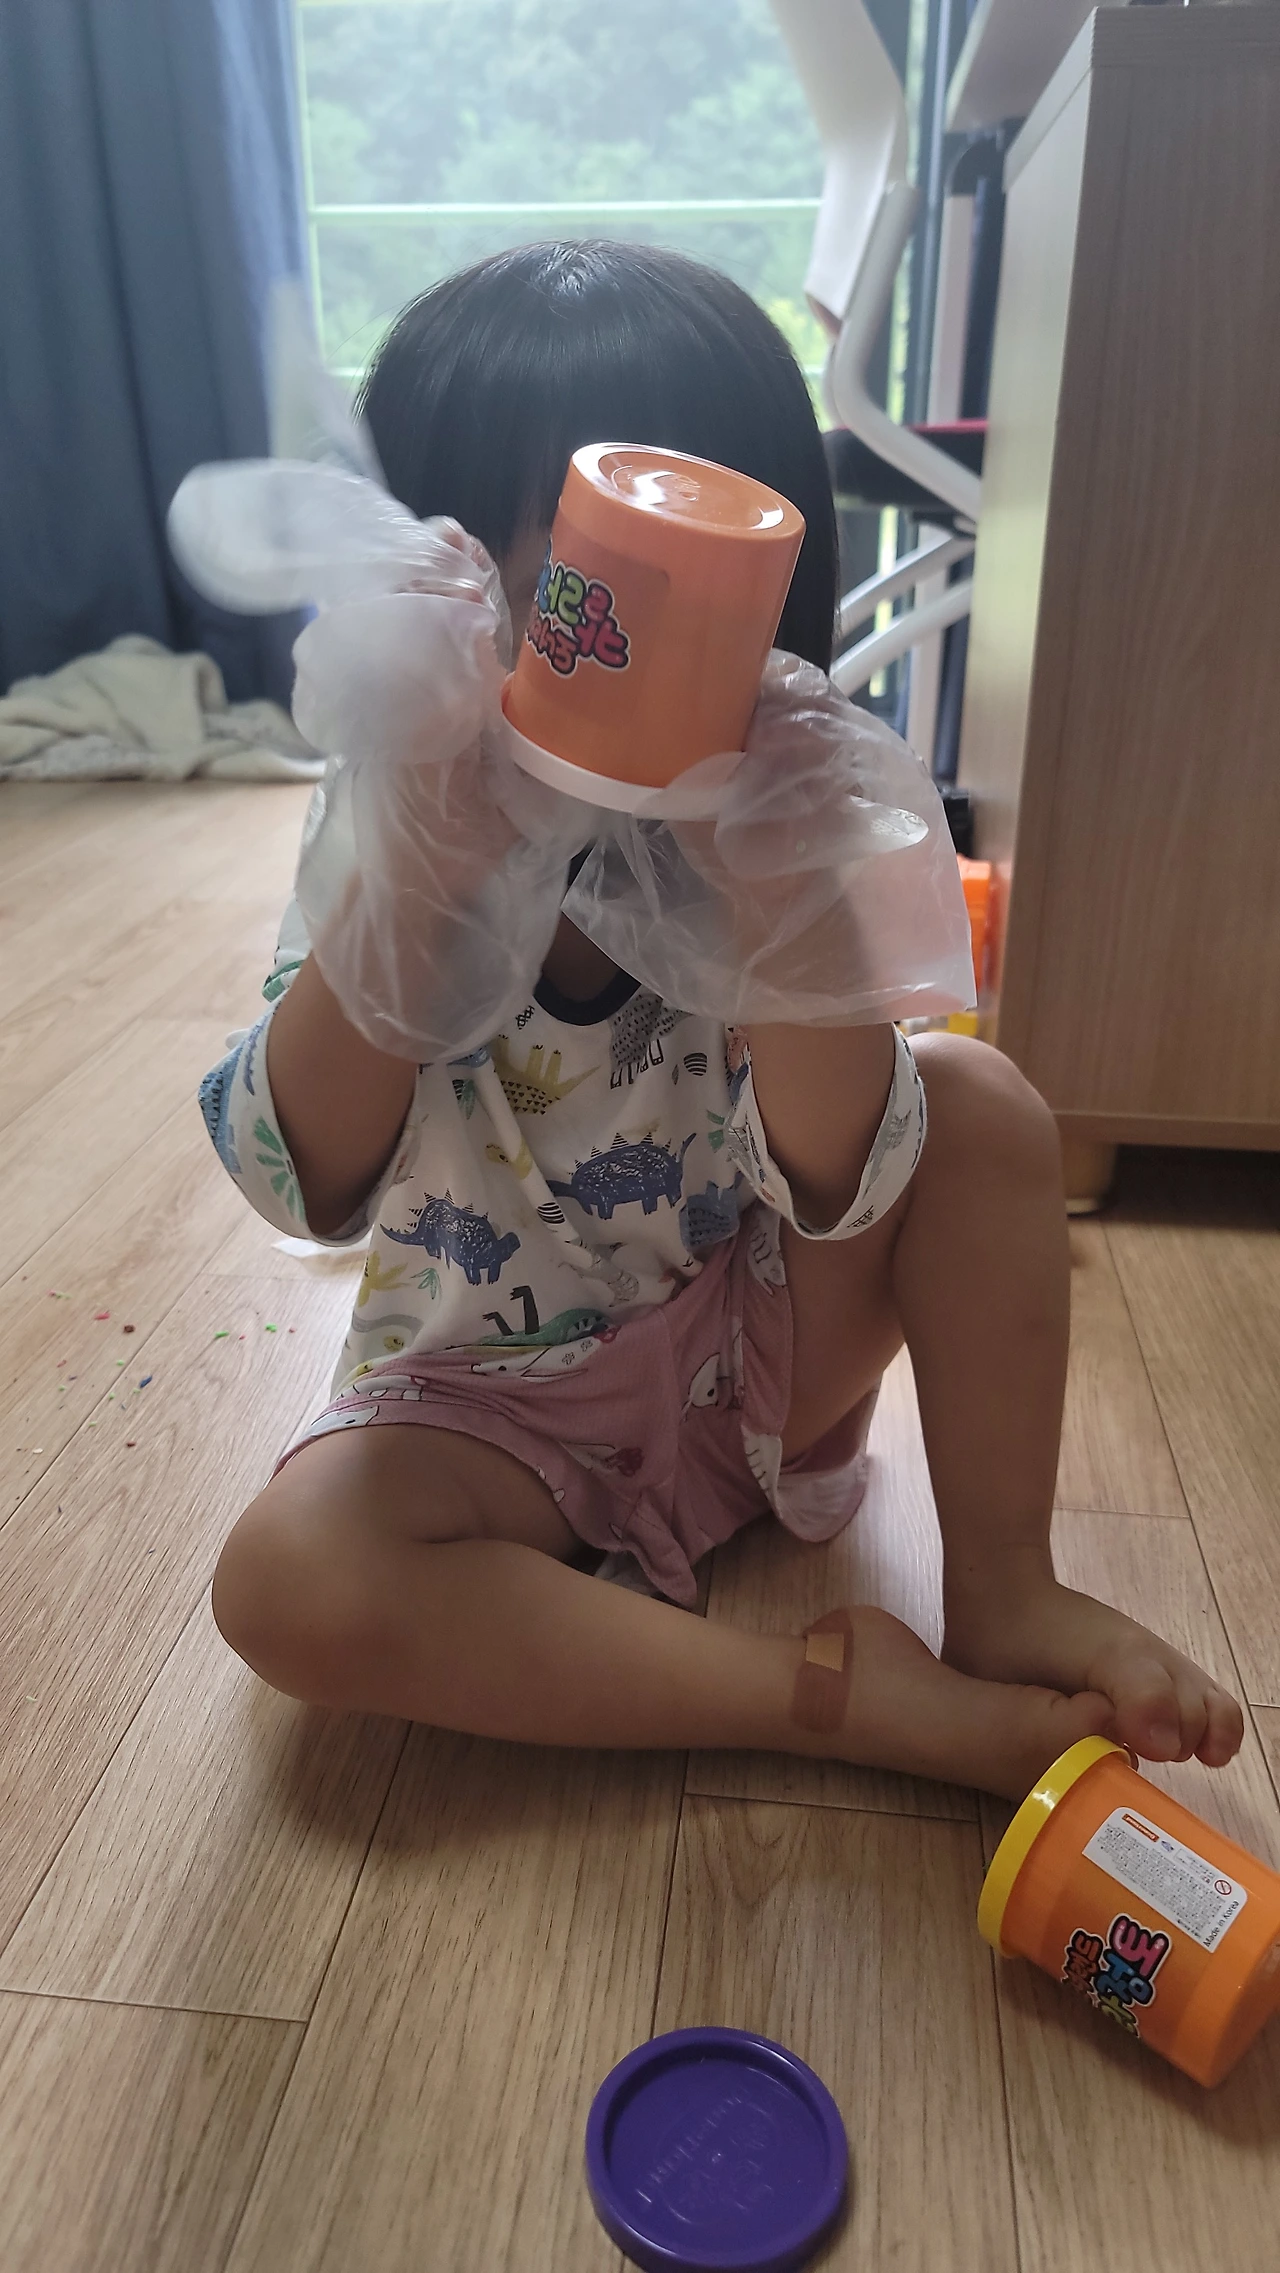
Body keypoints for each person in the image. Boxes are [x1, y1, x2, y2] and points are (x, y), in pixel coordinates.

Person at [204, 242, 1242, 1801]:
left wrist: (774, 906)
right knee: (290, 1576)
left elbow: (843, 1177)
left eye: (639, 595)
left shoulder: (781, 811)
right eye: (521, 591)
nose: (566, 644)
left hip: (761, 1352)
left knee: (981, 1110)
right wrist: (417, 885)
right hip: (486, 1404)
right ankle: (826, 1702)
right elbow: (301, 1177)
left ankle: (1006, 1588)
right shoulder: (392, 813)